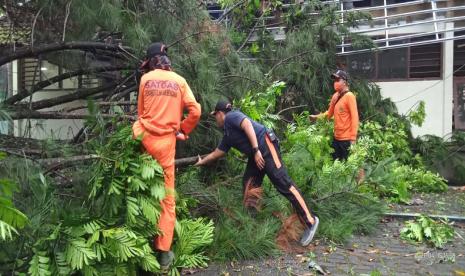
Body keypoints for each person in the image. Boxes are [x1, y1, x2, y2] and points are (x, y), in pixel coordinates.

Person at [195, 100, 319, 246]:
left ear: (220, 114)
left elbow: (247, 124)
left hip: (265, 146)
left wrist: (255, 150)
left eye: (215, 115)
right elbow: (218, 152)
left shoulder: (232, 116)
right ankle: (251, 226)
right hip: (257, 155)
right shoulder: (228, 134)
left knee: (282, 182)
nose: (215, 119)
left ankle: (310, 221)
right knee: (250, 183)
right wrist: (202, 161)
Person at [132, 42, 201, 270]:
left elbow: (141, 113)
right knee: (166, 198)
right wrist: (182, 129)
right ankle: (163, 252)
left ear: (151, 62)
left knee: (141, 187)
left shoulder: (145, 80)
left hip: (145, 140)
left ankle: (137, 240)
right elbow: (196, 110)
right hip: (166, 145)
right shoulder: (180, 81)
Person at [309, 69, 359, 161]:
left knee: (353, 164)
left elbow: (355, 118)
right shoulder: (335, 96)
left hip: (347, 140)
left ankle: (362, 176)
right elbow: (329, 114)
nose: (335, 83)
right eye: (334, 80)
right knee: (336, 165)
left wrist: (353, 139)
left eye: (337, 80)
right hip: (336, 138)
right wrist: (316, 117)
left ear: (344, 82)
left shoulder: (350, 96)